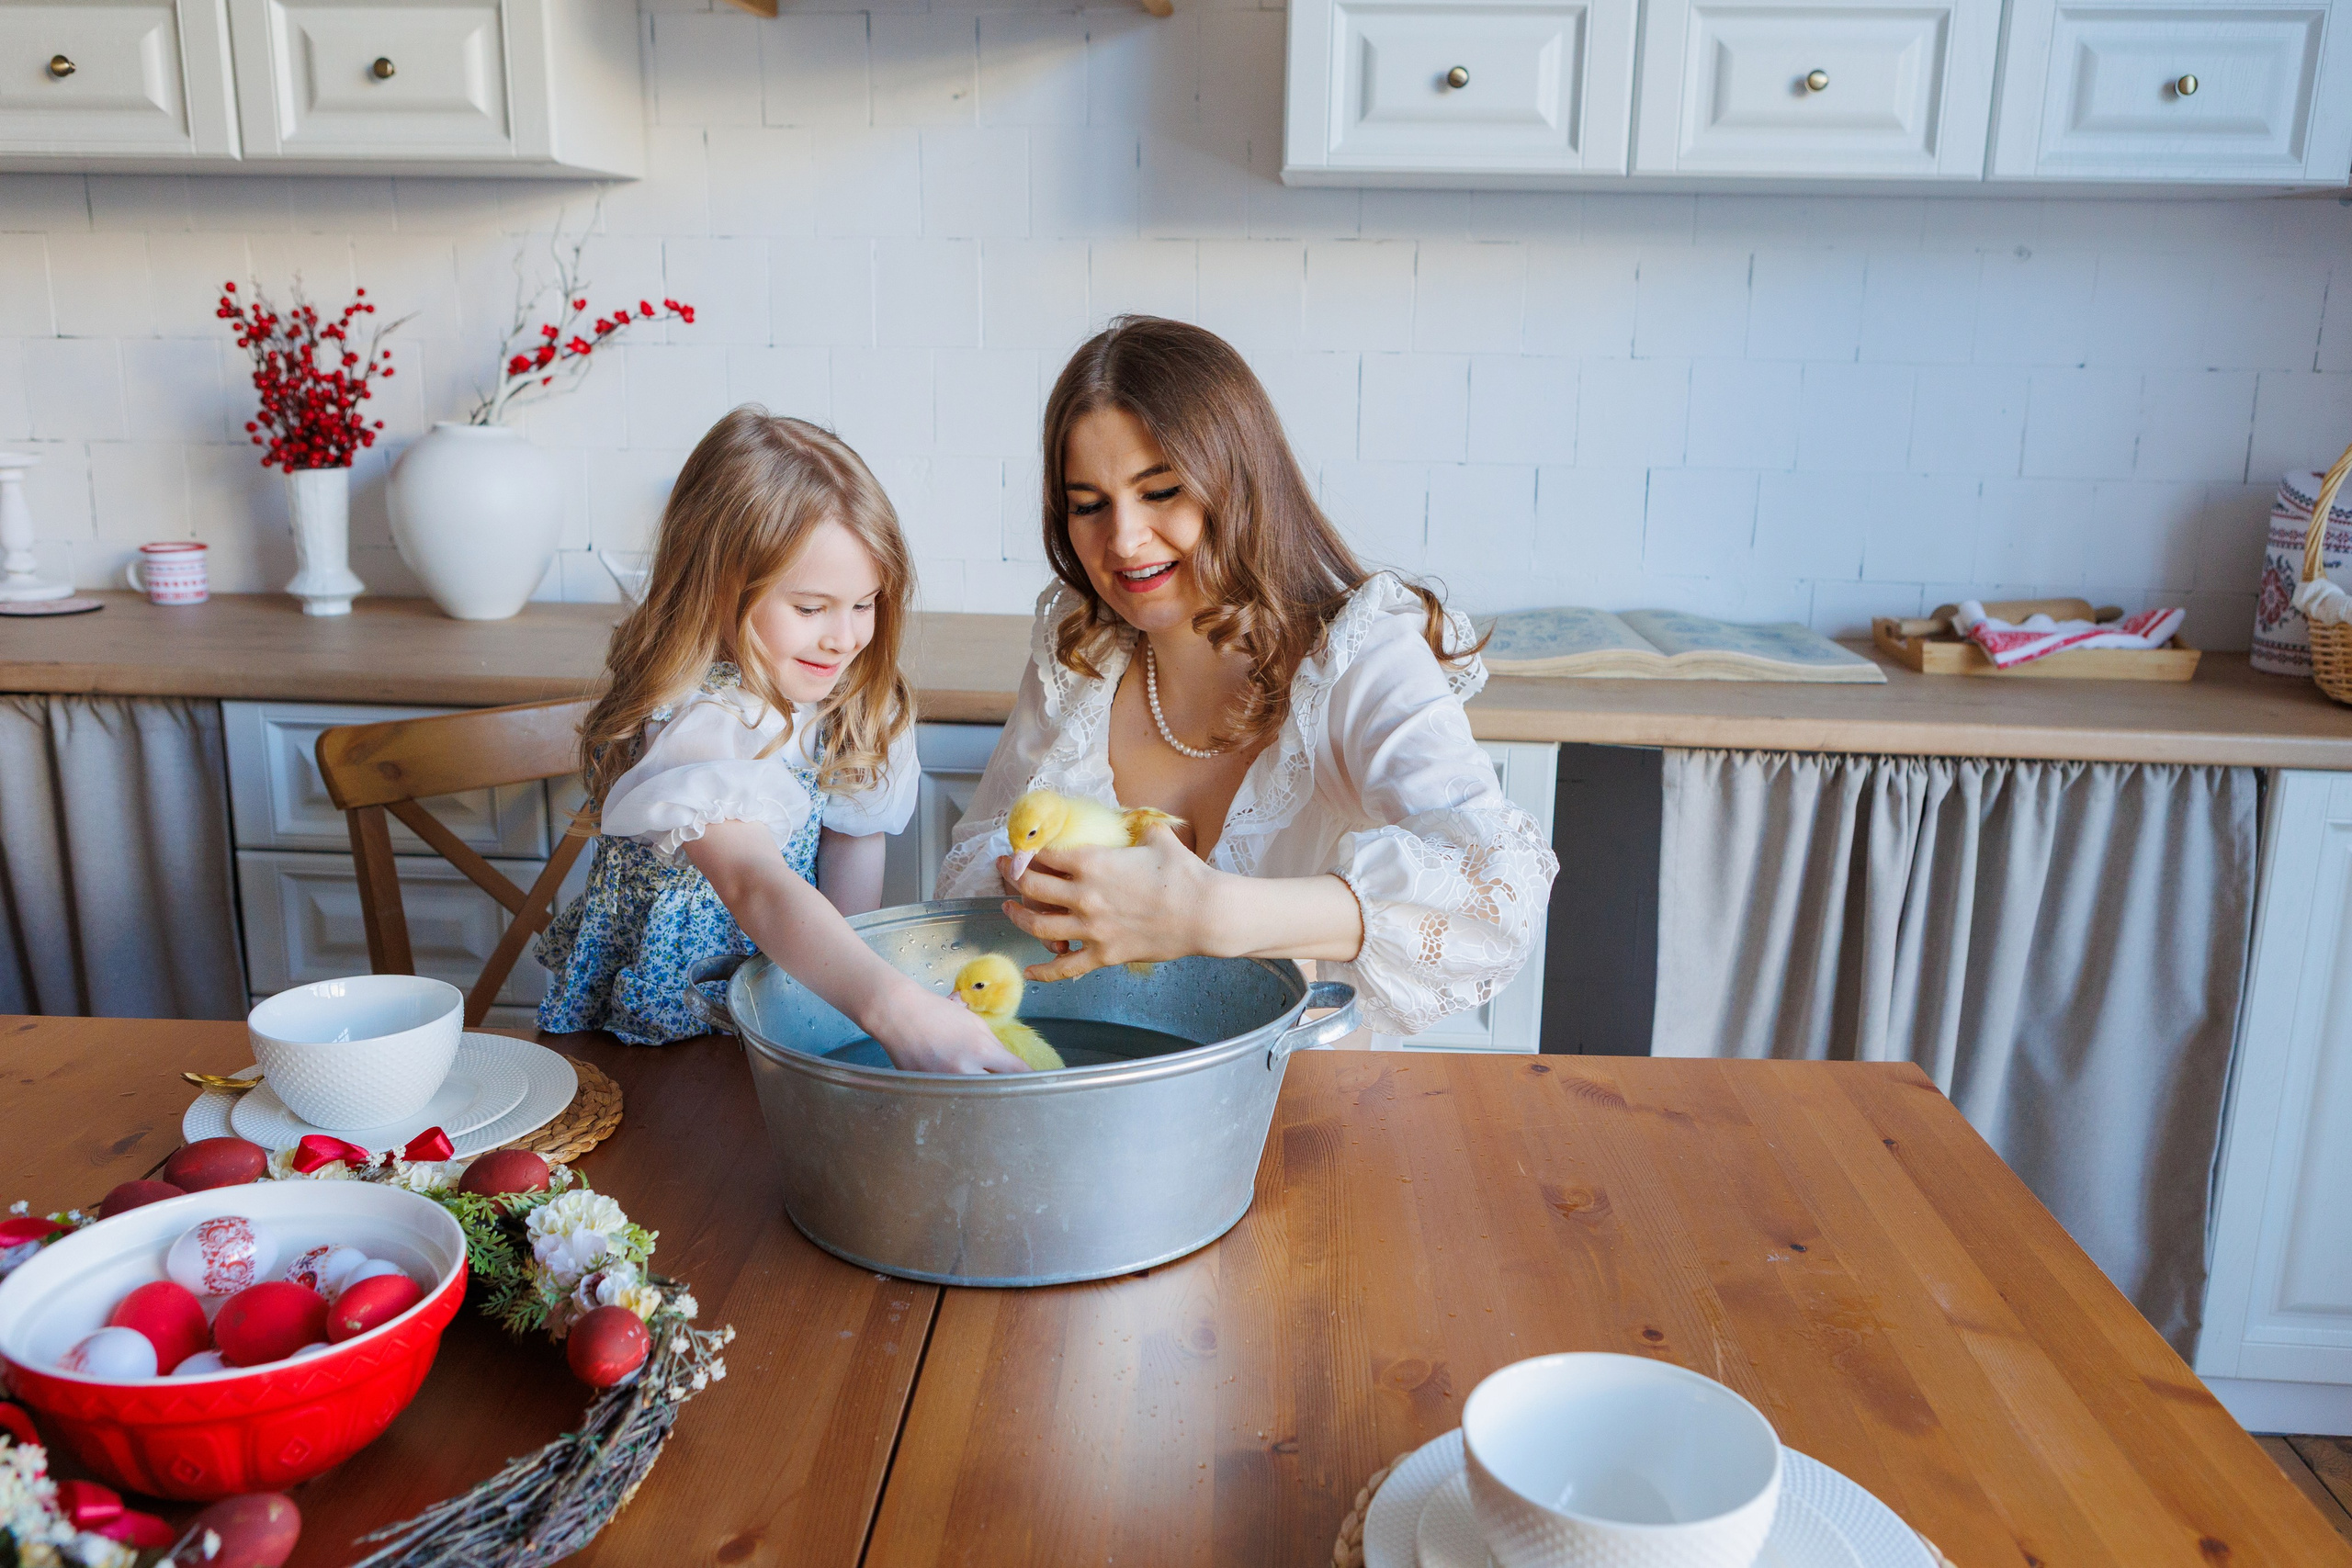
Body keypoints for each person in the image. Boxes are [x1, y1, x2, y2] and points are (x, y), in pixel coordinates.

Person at [938, 318, 1559, 1040]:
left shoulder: (1357, 657)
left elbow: (1500, 897)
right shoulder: (1083, 650)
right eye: (1088, 504)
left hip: (1311, 1109)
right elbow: (970, 872)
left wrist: (1210, 914)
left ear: (1238, 480)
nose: (1123, 539)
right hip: (1115, 1078)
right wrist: (1035, 885)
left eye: (1161, 490)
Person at [538, 409, 1025, 1072]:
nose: (845, 637)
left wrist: (866, 1013)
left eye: (865, 603)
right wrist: (899, 1010)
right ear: (716, 585)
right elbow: (754, 882)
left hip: (780, 1032)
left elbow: (848, 918)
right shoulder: (701, 717)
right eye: (810, 607)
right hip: (660, 1050)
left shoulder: (854, 704)